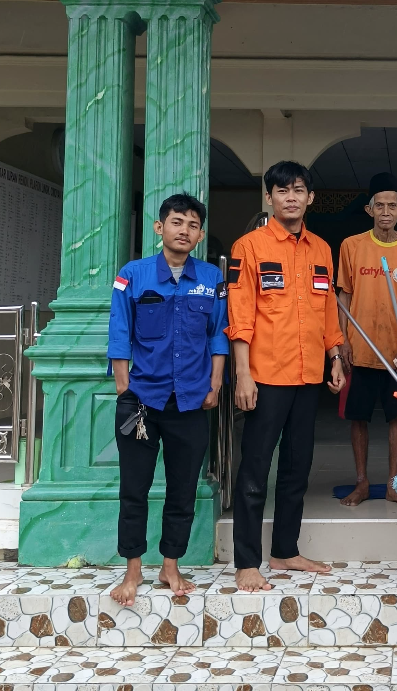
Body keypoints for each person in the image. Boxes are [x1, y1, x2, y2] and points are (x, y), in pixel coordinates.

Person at [227, 161, 346, 592]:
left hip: (308, 375)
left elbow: (327, 309)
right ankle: (246, 561)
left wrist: (335, 357)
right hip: (266, 375)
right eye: (282, 191)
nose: (290, 198)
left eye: (298, 190)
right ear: (270, 198)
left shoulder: (321, 249)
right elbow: (240, 314)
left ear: (310, 197)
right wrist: (243, 375)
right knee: (256, 469)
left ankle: (284, 550)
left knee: (298, 468)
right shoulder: (249, 247)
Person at [107, 193, 228, 606]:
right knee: (134, 489)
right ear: (160, 228)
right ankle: (132, 570)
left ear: (200, 234)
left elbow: (218, 334)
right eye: (177, 222)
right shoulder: (133, 275)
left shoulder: (210, 278)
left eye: (193, 225)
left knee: (183, 489)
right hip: (141, 401)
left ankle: (170, 565)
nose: (184, 231)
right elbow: (120, 330)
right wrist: (124, 386)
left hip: (191, 401)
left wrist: (214, 385)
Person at [337, 173, 397, 507]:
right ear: (369, 209)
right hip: (360, 349)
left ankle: (392, 483)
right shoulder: (352, 245)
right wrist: (342, 340)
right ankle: (361, 483)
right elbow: (344, 295)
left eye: (392, 206)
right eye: (379, 205)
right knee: (358, 417)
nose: (385, 211)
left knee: (396, 418)